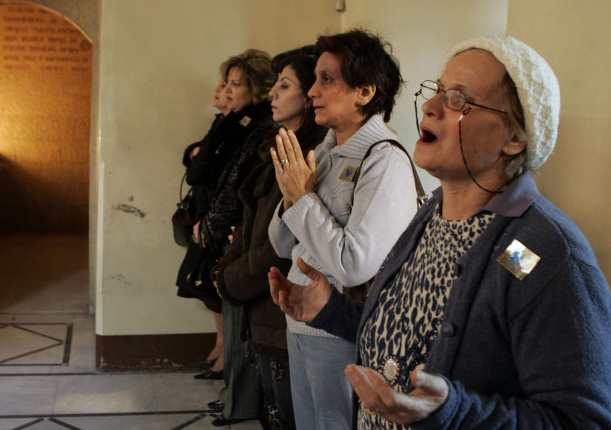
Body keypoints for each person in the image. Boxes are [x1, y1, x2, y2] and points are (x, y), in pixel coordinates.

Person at [269, 35, 611, 429]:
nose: (429, 108)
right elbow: (407, 340)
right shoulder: (433, 214)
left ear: (515, 138)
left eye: (459, 100)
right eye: (437, 91)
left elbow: (581, 420)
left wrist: (453, 412)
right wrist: (330, 311)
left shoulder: (534, 250)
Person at [267, 29, 419, 429]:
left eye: (327, 79)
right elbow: (282, 243)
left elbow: (355, 264)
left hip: (339, 330)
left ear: (364, 92)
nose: (313, 91)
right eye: (315, 78)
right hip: (300, 321)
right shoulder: (327, 152)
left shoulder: (384, 161)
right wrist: (292, 197)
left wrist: (303, 200)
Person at [214, 47, 327, 429]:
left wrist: (231, 278)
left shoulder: (308, 158)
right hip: (262, 308)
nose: (273, 95)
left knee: (286, 417)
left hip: (278, 310)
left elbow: (282, 248)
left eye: (285, 85)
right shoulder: (275, 147)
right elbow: (251, 223)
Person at [198, 49, 278, 425]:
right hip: (229, 227)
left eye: (236, 83)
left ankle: (241, 403)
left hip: (244, 235)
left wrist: (216, 223)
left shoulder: (264, 126)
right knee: (226, 309)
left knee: (241, 322)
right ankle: (235, 397)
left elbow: (239, 185)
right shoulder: (242, 123)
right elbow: (210, 169)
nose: (228, 90)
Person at [176, 72, 234, 377]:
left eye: (229, 86)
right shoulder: (221, 123)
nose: (220, 90)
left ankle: (224, 351)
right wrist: (193, 154)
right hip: (204, 213)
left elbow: (207, 167)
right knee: (205, 287)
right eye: (224, 84)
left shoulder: (239, 127)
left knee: (213, 288)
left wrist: (198, 157)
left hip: (215, 217)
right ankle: (219, 346)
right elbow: (196, 157)